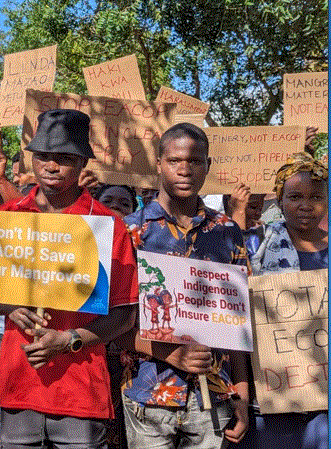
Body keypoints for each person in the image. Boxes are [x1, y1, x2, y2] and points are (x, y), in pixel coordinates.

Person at [0, 109, 140, 448]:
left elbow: (124, 314)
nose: (52, 166)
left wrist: (68, 341)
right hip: (19, 383)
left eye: (64, 158)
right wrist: (10, 307)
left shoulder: (107, 226)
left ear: (82, 165)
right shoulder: (8, 217)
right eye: (44, 157)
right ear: (32, 159)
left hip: (80, 390)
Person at [121, 122, 250, 448]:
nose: (184, 169)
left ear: (207, 166)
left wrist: (243, 393)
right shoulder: (131, 232)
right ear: (158, 164)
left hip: (214, 398)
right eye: (174, 160)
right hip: (148, 396)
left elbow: (236, 325)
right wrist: (170, 353)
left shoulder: (226, 232)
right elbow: (111, 323)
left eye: (195, 161)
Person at [242, 152, 328, 449]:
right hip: (274, 393)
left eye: (316, 196)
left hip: (325, 401)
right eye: (294, 196)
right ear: (279, 201)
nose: (306, 205)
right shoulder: (255, 246)